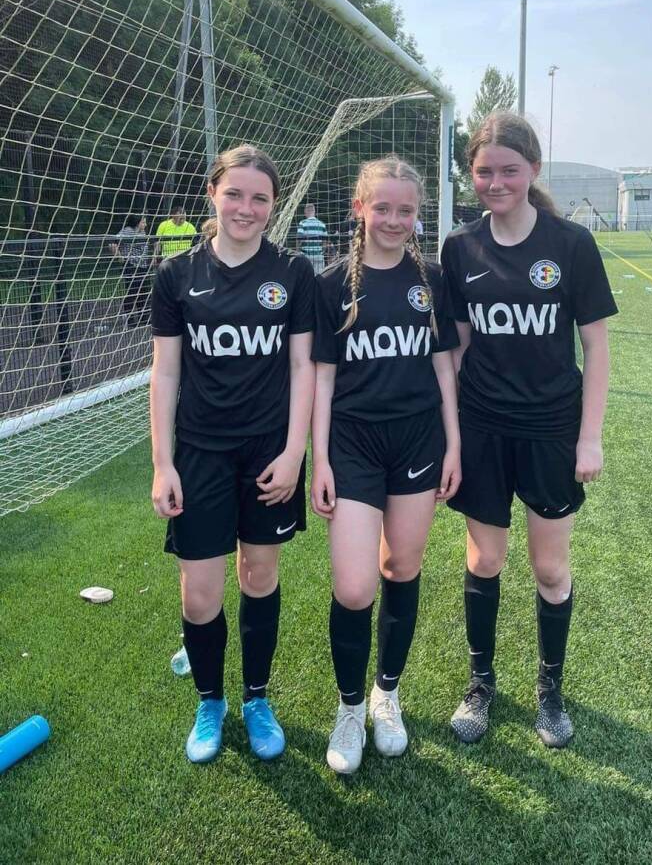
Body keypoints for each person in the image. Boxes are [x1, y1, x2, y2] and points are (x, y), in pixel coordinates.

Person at [440, 111, 617, 749]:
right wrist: (450, 436)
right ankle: (480, 684)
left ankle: (550, 692)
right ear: (471, 174)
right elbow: (456, 350)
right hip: (484, 427)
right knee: (485, 559)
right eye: (484, 172)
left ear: (533, 170)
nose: (496, 183)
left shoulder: (571, 245)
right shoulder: (460, 248)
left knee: (549, 568)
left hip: (551, 429)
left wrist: (589, 437)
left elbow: (596, 348)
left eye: (509, 171)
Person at [150, 145, 315, 764]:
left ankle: (255, 698)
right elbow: (166, 373)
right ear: (212, 195)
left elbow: (302, 368)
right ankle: (210, 701)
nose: (246, 208)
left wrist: (294, 451)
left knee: (259, 575)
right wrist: (163, 463)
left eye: (260, 198)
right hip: (199, 453)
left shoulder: (292, 272)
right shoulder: (176, 275)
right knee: (200, 594)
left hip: (268, 452)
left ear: (274, 205)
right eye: (235, 194)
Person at [311, 156, 461, 774]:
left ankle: (386, 694)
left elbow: (444, 368)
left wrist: (454, 446)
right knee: (354, 586)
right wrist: (318, 460)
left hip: (418, 442)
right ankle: (350, 709)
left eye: (406, 210)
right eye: (383, 208)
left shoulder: (433, 280)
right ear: (360, 209)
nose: (394, 220)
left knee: (401, 567)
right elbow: (321, 379)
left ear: (417, 214)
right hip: (353, 445)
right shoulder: (331, 285)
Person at [110, 213, 152, 327]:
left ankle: (144, 317)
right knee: (132, 292)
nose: (145, 224)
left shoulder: (142, 232)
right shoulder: (128, 231)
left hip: (143, 265)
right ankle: (130, 319)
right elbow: (113, 243)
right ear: (137, 223)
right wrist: (120, 257)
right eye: (143, 222)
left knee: (144, 292)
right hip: (132, 265)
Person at [297, 202, 329, 274]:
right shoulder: (322, 224)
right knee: (319, 276)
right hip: (318, 256)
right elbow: (325, 241)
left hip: (306, 256)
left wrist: (298, 251)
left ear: (306, 211)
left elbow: (299, 239)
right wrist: (322, 252)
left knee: (305, 277)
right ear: (314, 211)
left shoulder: (302, 223)